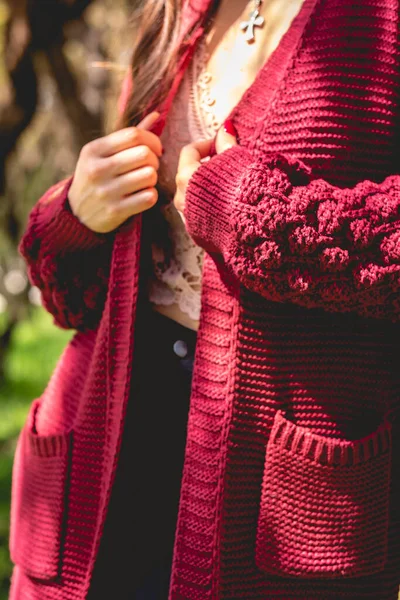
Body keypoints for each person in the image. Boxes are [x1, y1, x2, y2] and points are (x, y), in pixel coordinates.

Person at [8, 0, 400, 598]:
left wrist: (254, 218)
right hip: (103, 451)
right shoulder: (178, 11)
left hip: (274, 489)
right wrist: (75, 214)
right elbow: (75, 302)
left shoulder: (380, 20)